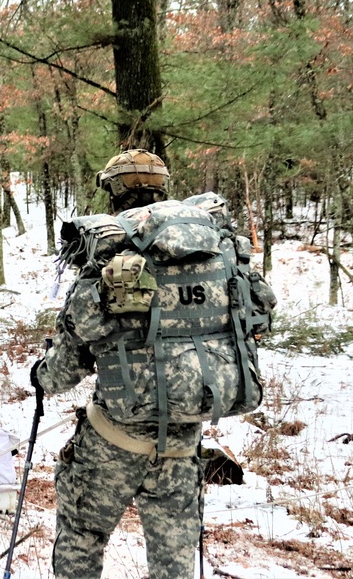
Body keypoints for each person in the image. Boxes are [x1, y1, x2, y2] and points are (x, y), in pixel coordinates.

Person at [30, 149, 276, 579]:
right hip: (183, 441)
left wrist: (41, 376)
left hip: (113, 438)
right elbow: (258, 317)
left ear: (113, 191)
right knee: (175, 560)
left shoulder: (110, 250)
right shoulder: (215, 251)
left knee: (81, 536)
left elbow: (71, 358)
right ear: (164, 186)